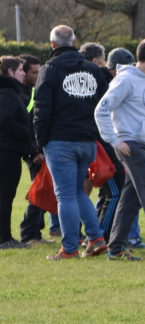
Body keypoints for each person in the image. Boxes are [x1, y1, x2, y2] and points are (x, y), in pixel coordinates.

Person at [94, 38, 145, 261]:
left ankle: (116, 248)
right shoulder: (125, 80)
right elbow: (101, 110)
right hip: (131, 145)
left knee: (131, 198)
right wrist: (114, 139)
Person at [33, 25, 110, 260]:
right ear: (75, 42)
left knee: (65, 194)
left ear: (53, 44)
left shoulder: (49, 70)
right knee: (77, 192)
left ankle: (69, 247)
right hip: (87, 141)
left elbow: (41, 109)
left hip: (60, 140)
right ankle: (96, 237)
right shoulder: (92, 69)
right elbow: (103, 103)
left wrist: (40, 141)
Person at [0, 57, 33, 249]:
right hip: (7, 152)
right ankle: (4, 239)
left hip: (8, 150)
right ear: (11, 71)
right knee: (5, 195)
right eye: (21, 69)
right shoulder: (8, 93)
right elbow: (4, 119)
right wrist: (25, 133)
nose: (23, 72)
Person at [16, 54, 48, 245]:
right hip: (32, 150)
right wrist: (34, 151)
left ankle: (35, 233)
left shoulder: (31, 91)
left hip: (37, 147)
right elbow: (28, 126)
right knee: (39, 189)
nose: (37, 76)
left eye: (39, 72)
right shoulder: (24, 93)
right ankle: (29, 233)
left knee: (42, 190)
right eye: (33, 72)